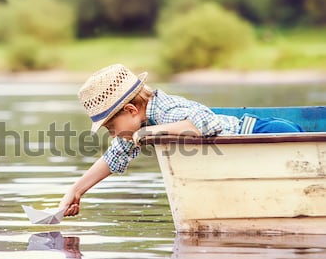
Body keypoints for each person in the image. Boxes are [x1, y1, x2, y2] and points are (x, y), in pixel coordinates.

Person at [58, 64, 304, 217]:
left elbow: (208, 124)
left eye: (111, 127)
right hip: (250, 155)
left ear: (132, 110)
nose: (111, 134)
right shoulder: (140, 123)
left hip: (264, 132)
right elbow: (114, 157)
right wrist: (76, 190)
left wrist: (151, 133)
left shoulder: (165, 110)